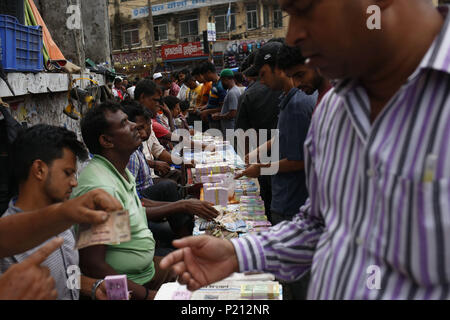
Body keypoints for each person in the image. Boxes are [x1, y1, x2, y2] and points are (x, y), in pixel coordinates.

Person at [161, 0, 450, 300]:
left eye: (305, 9)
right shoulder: (334, 109)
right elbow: (320, 223)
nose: (293, 36)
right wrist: (239, 253)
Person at [71, 102, 175, 300]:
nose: (135, 126)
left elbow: (122, 235)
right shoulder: (102, 188)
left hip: (146, 271)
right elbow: (94, 266)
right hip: (135, 285)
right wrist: (146, 295)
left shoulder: (118, 172)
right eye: (124, 123)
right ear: (107, 141)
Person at [0, 125, 109, 300]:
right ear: (39, 170)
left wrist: (93, 287)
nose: (74, 183)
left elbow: (68, 275)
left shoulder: (63, 218)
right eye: (68, 173)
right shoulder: (7, 248)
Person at [211, 69, 241, 135]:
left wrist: (219, 116)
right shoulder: (232, 90)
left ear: (226, 79)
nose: (221, 83)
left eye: (222, 81)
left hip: (231, 129)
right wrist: (220, 114)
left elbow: (233, 113)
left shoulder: (232, 93)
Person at [199, 62, 227, 131]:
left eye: (204, 75)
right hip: (212, 119)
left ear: (209, 72)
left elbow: (223, 108)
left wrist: (207, 111)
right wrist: (204, 107)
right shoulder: (213, 84)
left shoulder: (220, 86)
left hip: (218, 121)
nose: (203, 78)